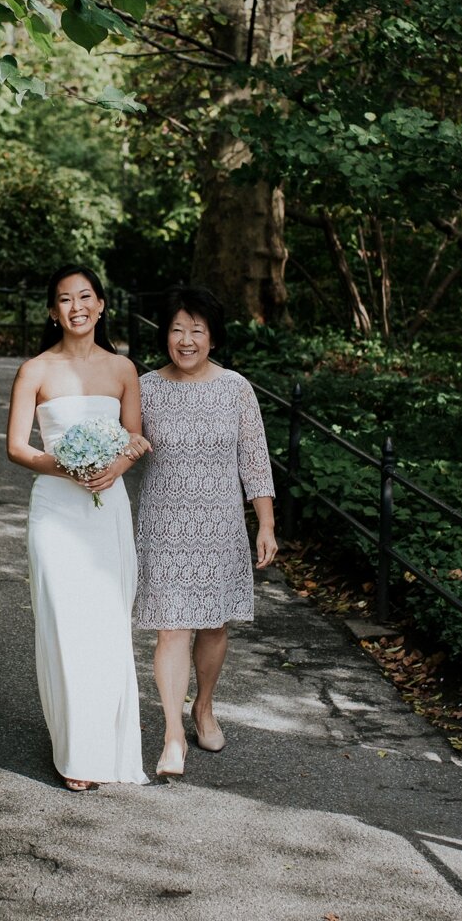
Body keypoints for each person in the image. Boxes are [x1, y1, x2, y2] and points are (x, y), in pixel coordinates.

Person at [3, 266, 153, 789]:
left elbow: (135, 437)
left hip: (107, 507)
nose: (76, 307)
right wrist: (63, 464)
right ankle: (74, 751)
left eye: (85, 297)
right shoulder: (35, 370)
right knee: (65, 626)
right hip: (55, 511)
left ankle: (105, 743)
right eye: (65, 300)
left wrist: (116, 465)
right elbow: (18, 447)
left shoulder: (123, 369)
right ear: (53, 311)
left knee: (106, 625)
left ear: (102, 304)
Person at [130, 284, 277, 778]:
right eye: (177, 329)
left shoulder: (236, 388)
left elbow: (254, 461)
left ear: (213, 337)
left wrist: (266, 524)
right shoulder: (145, 387)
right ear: (165, 335)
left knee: (213, 624)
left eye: (196, 330)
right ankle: (173, 733)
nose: (186, 339)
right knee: (171, 627)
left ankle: (204, 706)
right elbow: (123, 445)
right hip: (164, 523)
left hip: (220, 524)